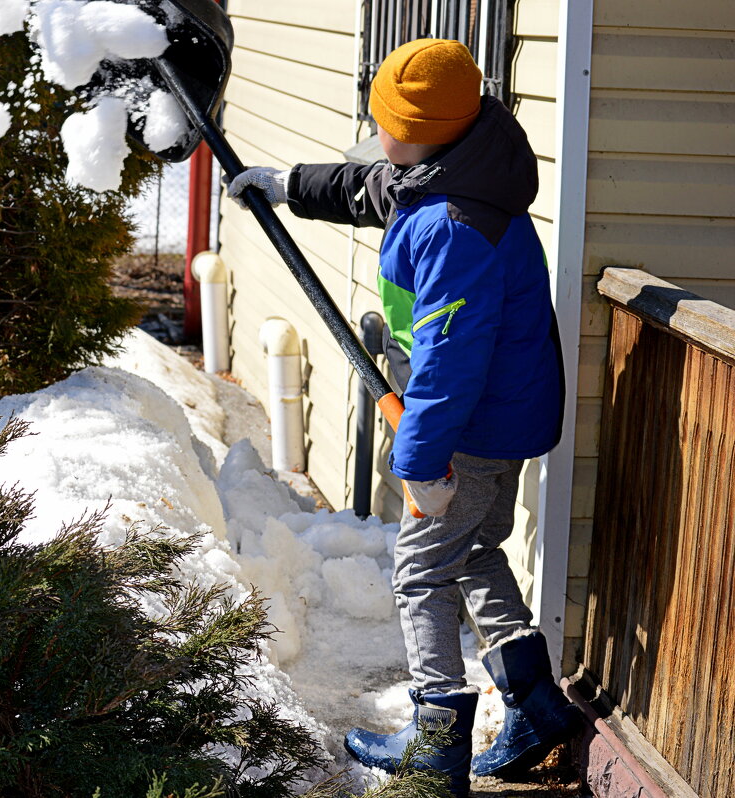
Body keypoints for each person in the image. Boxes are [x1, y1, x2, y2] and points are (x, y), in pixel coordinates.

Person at [226, 38, 580, 795]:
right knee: (474, 547)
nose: (373, 130)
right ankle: (537, 704)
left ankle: (436, 752)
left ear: (417, 132)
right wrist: (285, 185)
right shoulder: (448, 169)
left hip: (469, 427)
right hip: (495, 415)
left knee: (421, 569)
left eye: (380, 119)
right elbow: (366, 188)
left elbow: (453, 359)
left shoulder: (454, 223)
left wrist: (421, 459)